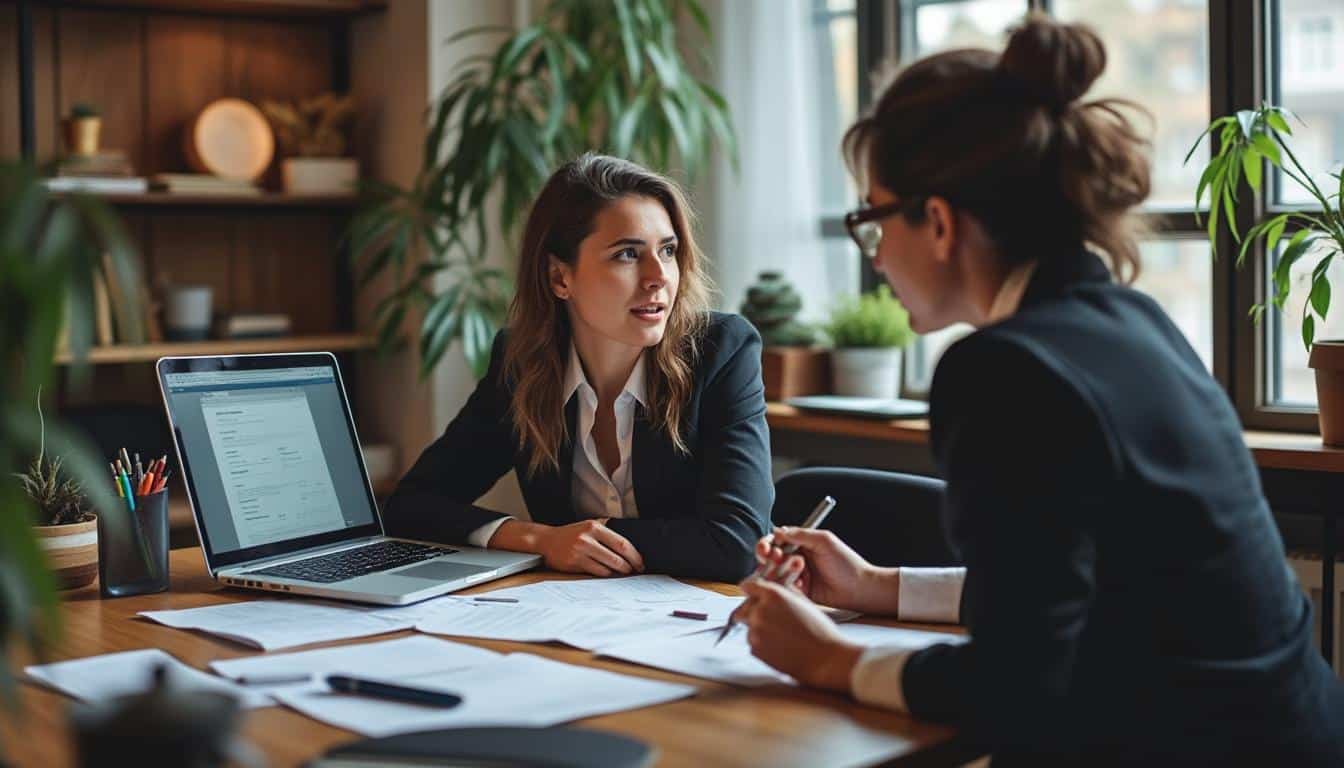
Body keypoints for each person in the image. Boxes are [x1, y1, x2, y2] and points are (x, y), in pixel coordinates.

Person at [735, 13, 1344, 766]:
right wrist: (878, 586)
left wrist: (829, 659)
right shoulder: (1129, 318)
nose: (878, 255)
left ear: (938, 221)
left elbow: (1019, 684)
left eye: (873, 218)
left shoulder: (1004, 370)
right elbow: (1085, 595)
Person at [383, 153, 772, 582]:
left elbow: (737, 545)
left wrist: (588, 537)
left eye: (668, 250)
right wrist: (540, 540)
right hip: (576, 624)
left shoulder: (721, 351)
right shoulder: (522, 365)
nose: (658, 276)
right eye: (627, 254)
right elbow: (413, 504)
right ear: (559, 278)